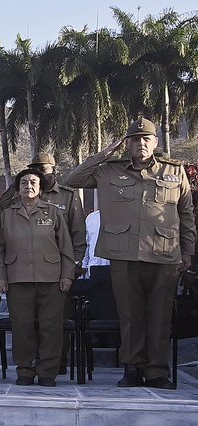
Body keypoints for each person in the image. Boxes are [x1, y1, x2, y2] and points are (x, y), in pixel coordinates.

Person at [64, 118, 195, 389]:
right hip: (123, 255)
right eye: (135, 139)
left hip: (164, 253)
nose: (141, 143)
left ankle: (157, 371)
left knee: (160, 316)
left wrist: (188, 251)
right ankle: (133, 368)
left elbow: (186, 214)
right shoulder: (108, 171)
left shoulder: (174, 171)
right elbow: (72, 178)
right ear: (128, 144)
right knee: (130, 315)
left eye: (147, 139)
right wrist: (107, 152)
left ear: (156, 142)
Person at [0, 168, 74, 386]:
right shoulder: (7, 214)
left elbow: (66, 247)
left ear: (40, 188)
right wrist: (0, 277)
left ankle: (48, 371)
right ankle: (25, 370)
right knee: (22, 327)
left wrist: (67, 275)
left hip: (51, 278)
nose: (28, 186)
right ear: (17, 189)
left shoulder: (52, 212)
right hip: (17, 278)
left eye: (33, 183)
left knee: (51, 327)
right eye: (24, 183)